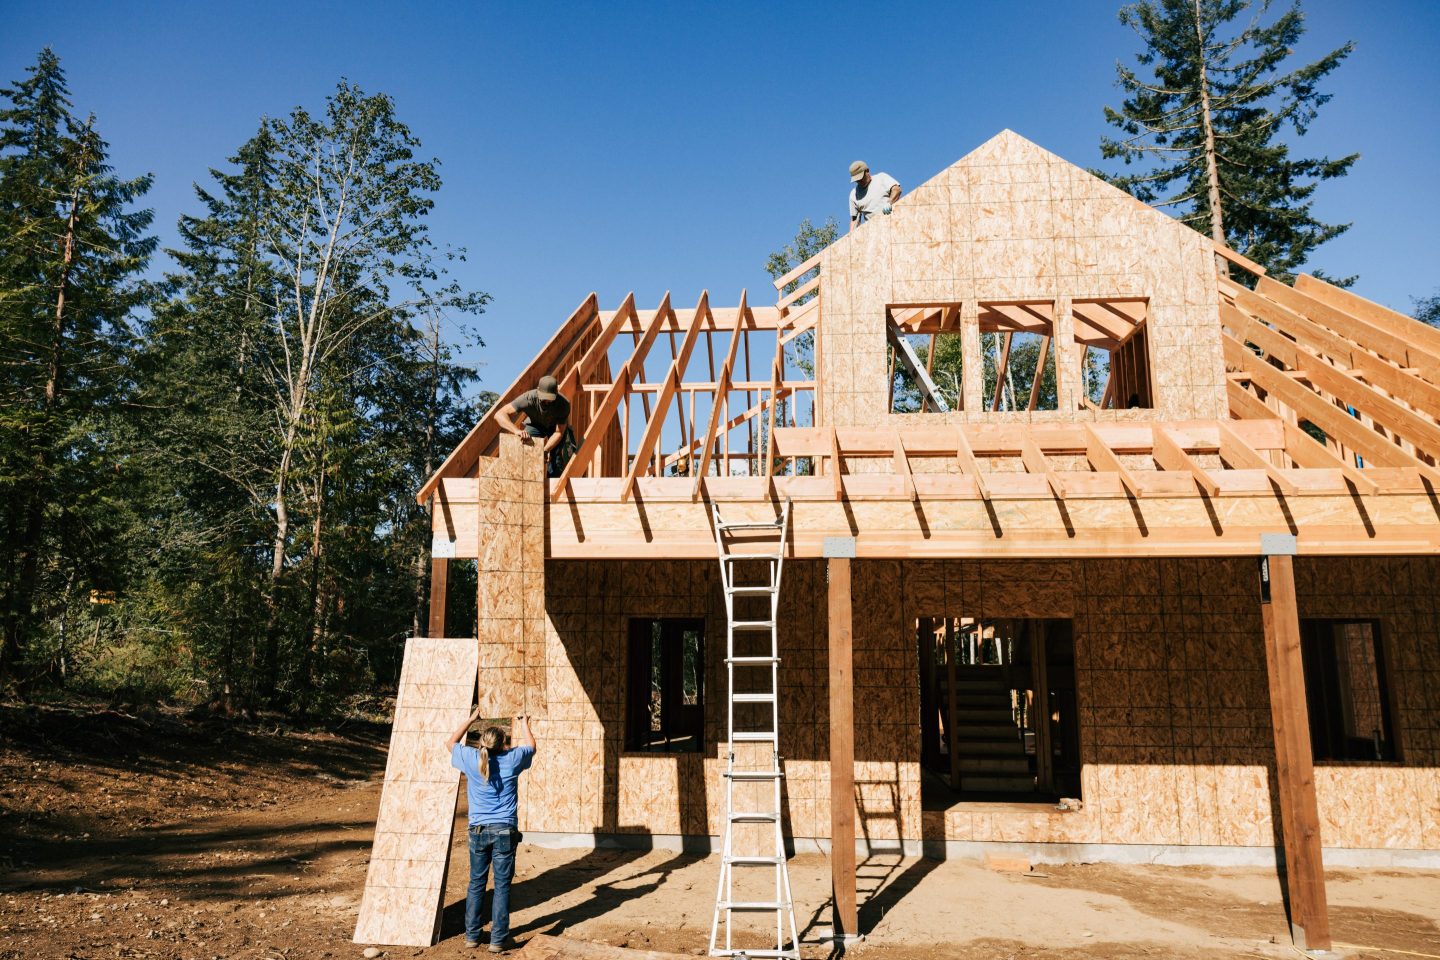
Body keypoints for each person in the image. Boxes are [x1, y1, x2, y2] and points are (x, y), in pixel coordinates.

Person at [445, 710, 537, 952]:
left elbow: (450, 743)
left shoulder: (472, 758)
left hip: (478, 831)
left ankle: (472, 937)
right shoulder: (514, 759)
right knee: (502, 886)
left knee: (476, 883)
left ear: (481, 743)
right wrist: (525, 724)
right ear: (504, 743)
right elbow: (532, 746)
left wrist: (470, 719)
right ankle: (497, 940)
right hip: (505, 832)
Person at [494, 375, 573, 475]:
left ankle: (553, 485)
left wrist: (545, 450)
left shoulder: (563, 404)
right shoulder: (528, 398)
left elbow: (559, 432)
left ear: (556, 393)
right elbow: (499, 414)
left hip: (555, 428)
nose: (547, 402)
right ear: (538, 391)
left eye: (550, 399)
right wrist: (516, 431)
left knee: (555, 460)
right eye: (544, 399)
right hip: (536, 425)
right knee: (526, 446)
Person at [848, 160, 901, 232]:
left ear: (867, 171)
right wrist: (851, 237)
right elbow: (854, 220)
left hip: (893, 223)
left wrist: (889, 202)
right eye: (857, 180)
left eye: (861, 178)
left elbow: (896, 189)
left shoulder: (881, 178)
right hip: (874, 231)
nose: (859, 181)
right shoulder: (854, 195)